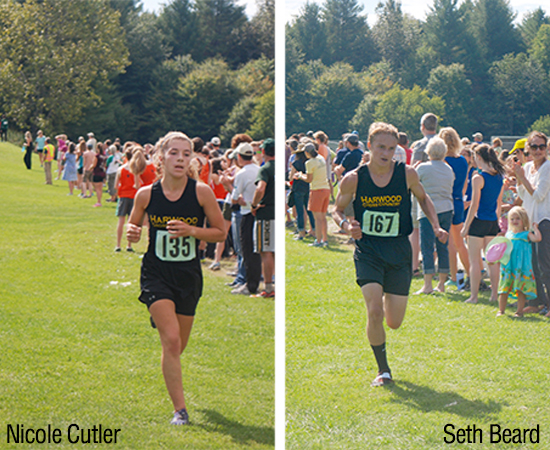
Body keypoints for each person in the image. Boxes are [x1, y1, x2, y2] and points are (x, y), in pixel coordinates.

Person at [332, 122, 448, 387]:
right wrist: (346, 225)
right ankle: (383, 370)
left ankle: (386, 299)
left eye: (391, 148)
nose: (386, 152)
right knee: (374, 311)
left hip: (398, 251)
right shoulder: (354, 178)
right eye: (381, 147)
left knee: (393, 322)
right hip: (369, 251)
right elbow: (336, 209)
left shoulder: (406, 174)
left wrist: (436, 224)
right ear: (370, 146)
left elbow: (423, 198)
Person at [126, 131, 226, 425]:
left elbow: (220, 232)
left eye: (186, 154)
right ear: (161, 158)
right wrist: (133, 233)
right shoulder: (146, 194)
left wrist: (192, 231)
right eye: (174, 153)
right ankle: (180, 411)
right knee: (170, 340)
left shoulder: (201, 192)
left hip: (188, 276)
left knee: (178, 346)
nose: (181, 158)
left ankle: (164, 315)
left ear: (192, 159)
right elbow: (133, 227)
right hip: (156, 274)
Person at [461, 144, 505, 304]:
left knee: (474, 261)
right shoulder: (499, 176)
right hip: (492, 222)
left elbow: (474, 205)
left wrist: (466, 226)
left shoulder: (478, 178)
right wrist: (497, 221)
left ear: (478, 158)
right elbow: (498, 202)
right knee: (492, 261)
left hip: (478, 222)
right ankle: (495, 294)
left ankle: (473, 296)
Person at [513, 131, 550, 316]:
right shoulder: (527, 167)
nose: (538, 150)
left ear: (547, 148)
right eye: (534, 147)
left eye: (541, 146)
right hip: (530, 221)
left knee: (545, 266)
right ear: (528, 148)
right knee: (532, 266)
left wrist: (523, 178)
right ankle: (537, 302)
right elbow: (522, 195)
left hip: (544, 222)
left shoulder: (548, 167)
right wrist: (518, 178)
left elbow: (538, 195)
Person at [415, 137, 454, 294]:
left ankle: (427, 284)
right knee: (443, 246)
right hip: (447, 208)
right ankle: (442, 284)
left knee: (427, 247)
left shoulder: (423, 168)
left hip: (428, 211)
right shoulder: (448, 169)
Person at [496, 207, 541, 317]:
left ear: (524, 220)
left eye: (518, 218)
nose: (514, 221)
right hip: (508, 266)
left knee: (521, 288)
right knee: (504, 289)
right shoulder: (508, 234)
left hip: (522, 266)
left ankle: (519, 311)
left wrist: (535, 228)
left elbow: (537, 239)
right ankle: (501, 310)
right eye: (512, 219)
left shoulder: (526, 234)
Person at [440, 127, 470, 288]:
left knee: (451, 243)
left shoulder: (443, 162)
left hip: (446, 202)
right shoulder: (463, 160)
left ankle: (457, 275)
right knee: (459, 242)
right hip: (458, 201)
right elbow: (465, 184)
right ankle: (469, 274)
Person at [231, 142, 261, 295]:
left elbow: (235, 197)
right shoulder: (259, 169)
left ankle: (250, 284)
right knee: (257, 249)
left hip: (247, 213)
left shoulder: (241, 174)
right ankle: (253, 281)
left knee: (247, 250)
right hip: (259, 212)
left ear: (239, 157)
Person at [251, 138, 275, 297]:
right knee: (274, 252)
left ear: (264, 152)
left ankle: (268, 288)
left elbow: (260, 188)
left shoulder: (265, 168)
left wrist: (253, 204)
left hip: (266, 214)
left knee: (265, 251)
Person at [294, 142, 330, 247]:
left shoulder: (309, 163)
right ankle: (325, 239)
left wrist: (300, 176)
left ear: (306, 152)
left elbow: (309, 179)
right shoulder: (321, 158)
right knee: (323, 217)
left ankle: (318, 241)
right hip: (325, 188)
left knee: (317, 218)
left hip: (317, 190)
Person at [91, 143, 107, 207]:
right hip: (102, 172)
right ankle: (99, 201)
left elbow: (94, 165)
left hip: (96, 172)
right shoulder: (104, 156)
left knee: (97, 188)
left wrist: (90, 168)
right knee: (100, 189)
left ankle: (98, 202)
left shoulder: (97, 156)